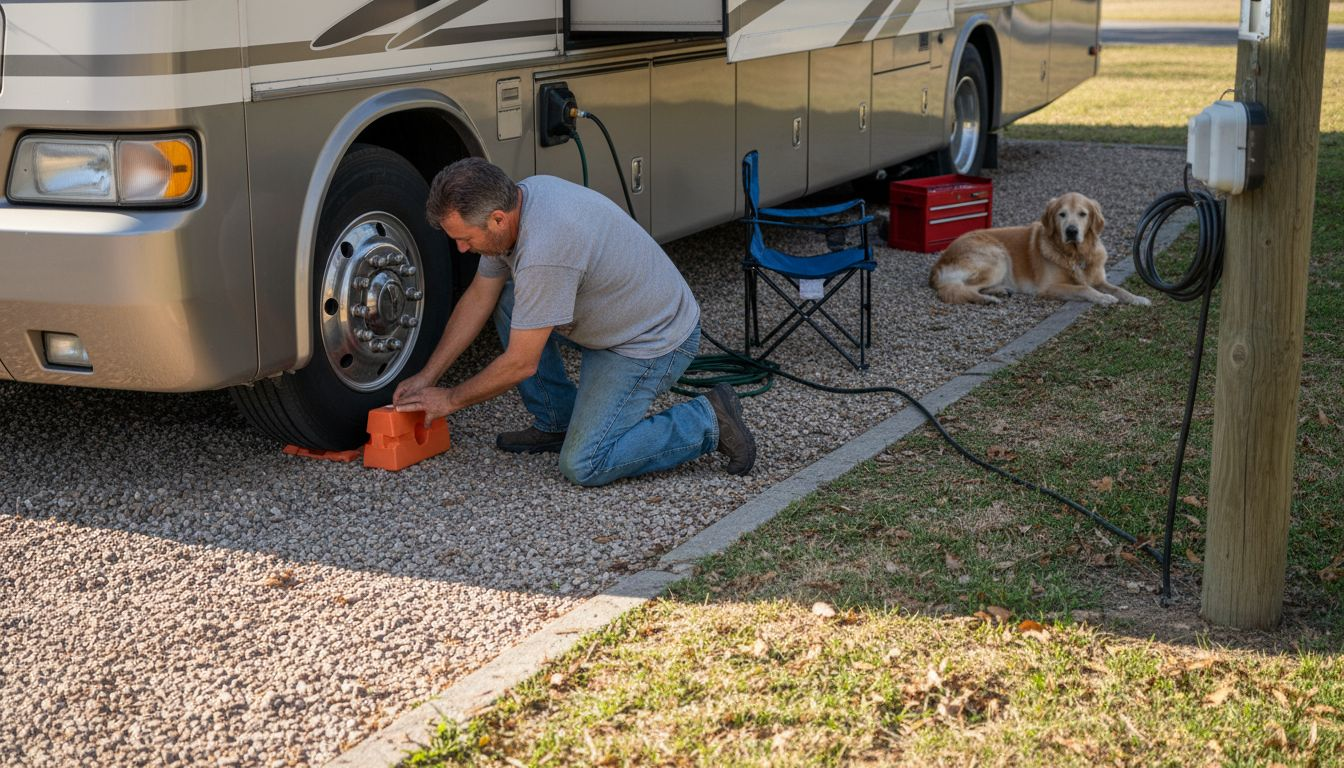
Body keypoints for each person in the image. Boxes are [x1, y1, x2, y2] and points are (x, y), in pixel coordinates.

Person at [392, 157, 755, 487]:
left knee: (585, 462)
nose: (462, 249)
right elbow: (478, 298)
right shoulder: (518, 202)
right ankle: (557, 422)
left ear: (497, 219)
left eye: (464, 239)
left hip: (650, 341)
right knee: (508, 299)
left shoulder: (545, 250)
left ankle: (707, 420)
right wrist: (429, 376)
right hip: (614, 316)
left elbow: (520, 363)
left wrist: (451, 399)